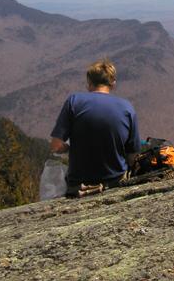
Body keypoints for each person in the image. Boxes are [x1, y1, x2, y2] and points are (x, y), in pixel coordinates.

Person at [50, 57, 140, 195]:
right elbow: (133, 156)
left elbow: (56, 146)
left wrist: (68, 147)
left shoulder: (74, 101)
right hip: (115, 182)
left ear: (89, 82)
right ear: (113, 83)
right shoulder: (127, 108)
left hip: (79, 185)